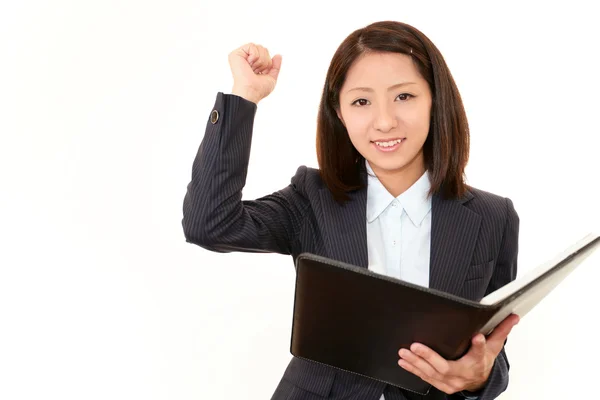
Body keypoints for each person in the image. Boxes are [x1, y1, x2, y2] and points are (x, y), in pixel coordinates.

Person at [182, 20, 520, 400]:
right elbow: (208, 224)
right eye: (361, 101)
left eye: (404, 96)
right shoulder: (311, 197)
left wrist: (477, 377)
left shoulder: (494, 218)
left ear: (435, 100)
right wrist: (243, 98)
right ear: (340, 113)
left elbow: (492, 353)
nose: (385, 121)